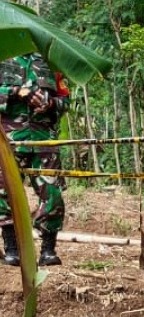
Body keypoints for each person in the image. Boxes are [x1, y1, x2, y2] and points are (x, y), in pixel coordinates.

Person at [0, 52, 72, 266]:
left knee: (52, 194)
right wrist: (17, 92)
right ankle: (12, 249)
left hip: (43, 140)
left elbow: (65, 100)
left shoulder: (48, 62)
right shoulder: (4, 53)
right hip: (9, 140)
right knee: (4, 192)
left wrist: (50, 103)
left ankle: (48, 250)